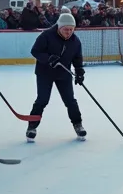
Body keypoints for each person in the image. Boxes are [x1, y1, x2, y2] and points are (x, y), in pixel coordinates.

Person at [27, 12, 87, 142]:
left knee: (70, 100)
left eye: (71, 29)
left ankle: (78, 124)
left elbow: (77, 58)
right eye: (66, 29)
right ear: (59, 27)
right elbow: (35, 51)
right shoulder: (46, 35)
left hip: (63, 74)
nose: (68, 32)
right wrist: (48, 58)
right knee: (42, 100)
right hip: (44, 73)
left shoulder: (75, 41)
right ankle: (31, 127)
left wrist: (79, 71)